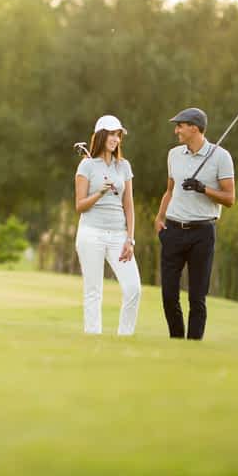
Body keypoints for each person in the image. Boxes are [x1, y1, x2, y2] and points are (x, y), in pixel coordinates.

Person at [153, 107, 235, 340]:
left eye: (180, 125)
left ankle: (193, 346)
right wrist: (160, 218)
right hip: (173, 229)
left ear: (194, 128)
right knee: (169, 294)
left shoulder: (221, 157)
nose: (176, 130)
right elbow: (169, 190)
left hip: (202, 232)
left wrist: (203, 189)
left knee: (197, 297)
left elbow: (229, 198)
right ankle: (177, 341)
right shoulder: (174, 155)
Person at [74, 115, 141, 336]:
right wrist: (100, 192)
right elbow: (80, 205)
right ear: (101, 135)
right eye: (111, 134)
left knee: (133, 289)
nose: (115, 139)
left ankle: (125, 337)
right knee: (94, 292)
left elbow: (129, 206)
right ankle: (93, 337)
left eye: (118, 134)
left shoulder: (124, 166)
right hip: (91, 233)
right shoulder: (86, 165)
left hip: (118, 235)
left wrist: (130, 239)